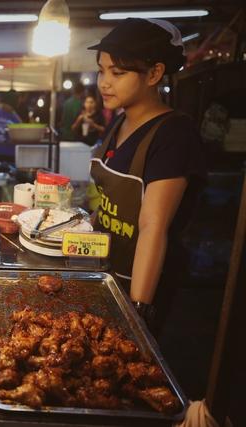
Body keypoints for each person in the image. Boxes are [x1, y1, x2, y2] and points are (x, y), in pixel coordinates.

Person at [88, 18, 205, 334]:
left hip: (141, 282)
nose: (104, 83)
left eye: (118, 72)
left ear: (154, 74)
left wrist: (138, 311)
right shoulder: (119, 123)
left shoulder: (174, 135)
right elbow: (105, 200)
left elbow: (154, 226)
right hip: (108, 272)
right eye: (101, 70)